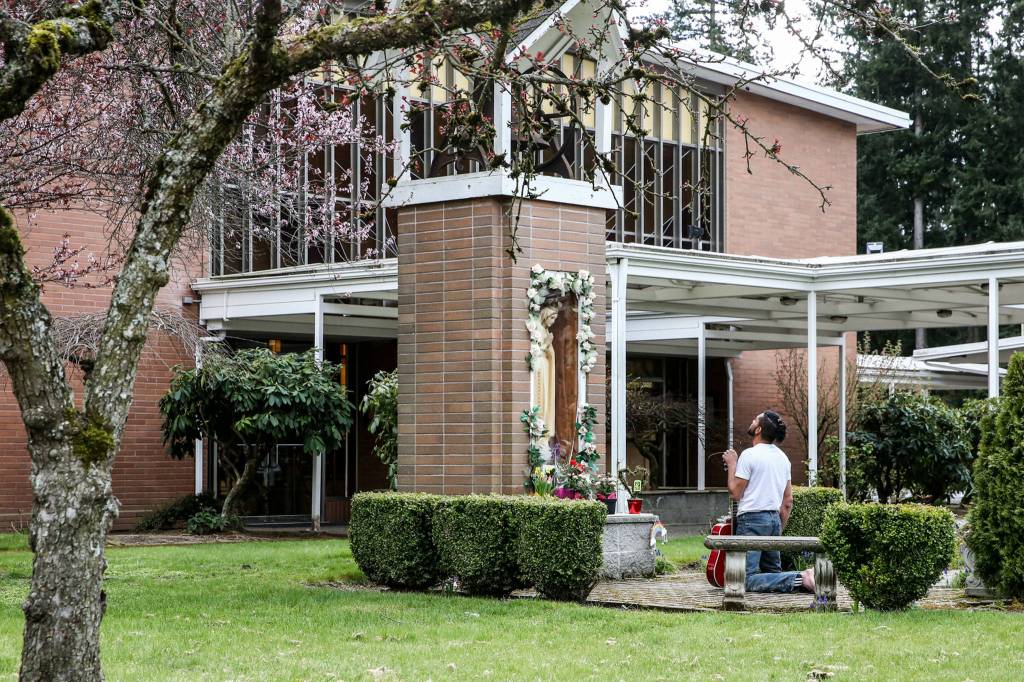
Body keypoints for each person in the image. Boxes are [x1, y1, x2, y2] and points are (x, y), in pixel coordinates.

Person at [722, 410, 814, 593]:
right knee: (773, 572)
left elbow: (735, 493)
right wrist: (778, 528)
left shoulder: (750, 455)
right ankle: (806, 578)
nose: (752, 420)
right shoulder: (783, 459)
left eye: (755, 419)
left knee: (745, 580)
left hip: (752, 521)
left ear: (758, 429)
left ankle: (801, 577)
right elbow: (787, 502)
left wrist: (732, 464)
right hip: (774, 520)